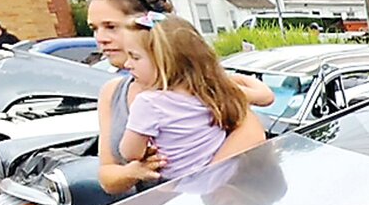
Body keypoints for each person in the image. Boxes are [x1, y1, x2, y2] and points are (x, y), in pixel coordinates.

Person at [86, 0, 267, 195]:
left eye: (111, 27)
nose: (100, 39)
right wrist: (133, 171)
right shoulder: (112, 93)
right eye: (94, 29)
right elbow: (107, 176)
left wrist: (195, 191)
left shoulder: (198, 85)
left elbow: (253, 131)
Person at [117, 16, 272, 181]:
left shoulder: (148, 103)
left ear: (165, 61)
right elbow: (266, 96)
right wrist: (231, 78)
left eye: (135, 57)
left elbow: (129, 152)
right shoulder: (209, 91)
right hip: (223, 178)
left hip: (181, 186)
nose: (127, 64)